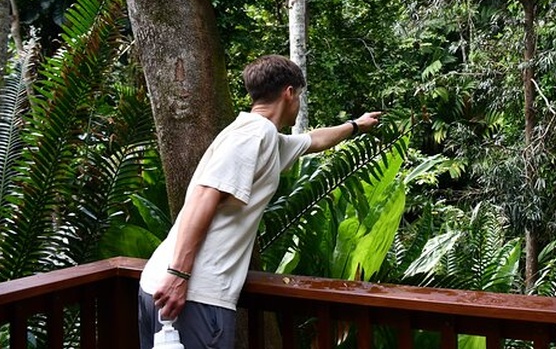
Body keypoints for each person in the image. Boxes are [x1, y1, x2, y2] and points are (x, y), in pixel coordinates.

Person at [138, 54, 381, 349]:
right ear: (289, 93)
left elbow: (313, 140)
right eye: (300, 95)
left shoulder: (263, 137)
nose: (299, 102)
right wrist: (179, 275)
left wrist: (356, 125)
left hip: (167, 288)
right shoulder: (254, 135)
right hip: (191, 294)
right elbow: (204, 196)